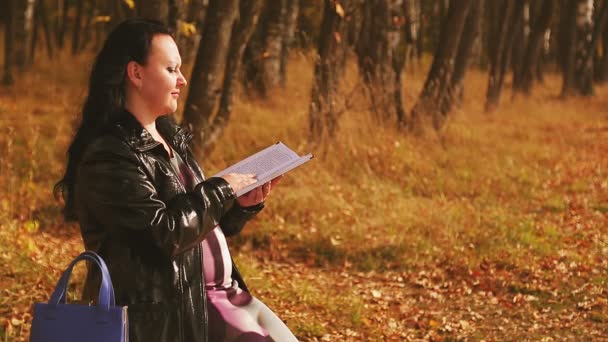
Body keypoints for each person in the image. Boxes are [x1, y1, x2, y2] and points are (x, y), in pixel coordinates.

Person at [55, 18, 298, 342]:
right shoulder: (110, 154)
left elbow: (198, 229)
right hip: (173, 317)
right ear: (136, 73)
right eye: (171, 69)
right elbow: (163, 234)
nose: (182, 80)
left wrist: (238, 206)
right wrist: (222, 187)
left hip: (221, 297)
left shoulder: (169, 139)